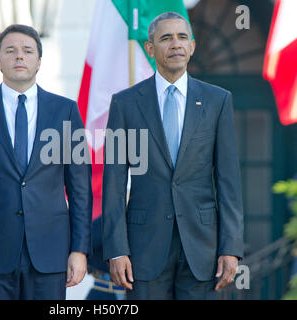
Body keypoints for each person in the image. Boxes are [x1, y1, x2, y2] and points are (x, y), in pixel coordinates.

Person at [102, 12, 244, 300]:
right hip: (143, 250)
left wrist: (231, 247)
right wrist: (116, 249)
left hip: (202, 250)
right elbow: (114, 184)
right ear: (150, 49)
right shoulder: (125, 104)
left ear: (192, 46)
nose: (175, 44)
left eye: (182, 37)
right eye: (166, 38)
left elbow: (228, 182)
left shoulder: (218, 101)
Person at [0, 24, 92, 300]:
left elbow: (80, 188)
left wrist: (79, 249)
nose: (19, 57)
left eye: (27, 51)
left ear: (39, 61)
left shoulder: (65, 112)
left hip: (51, 253)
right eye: (10, 51)